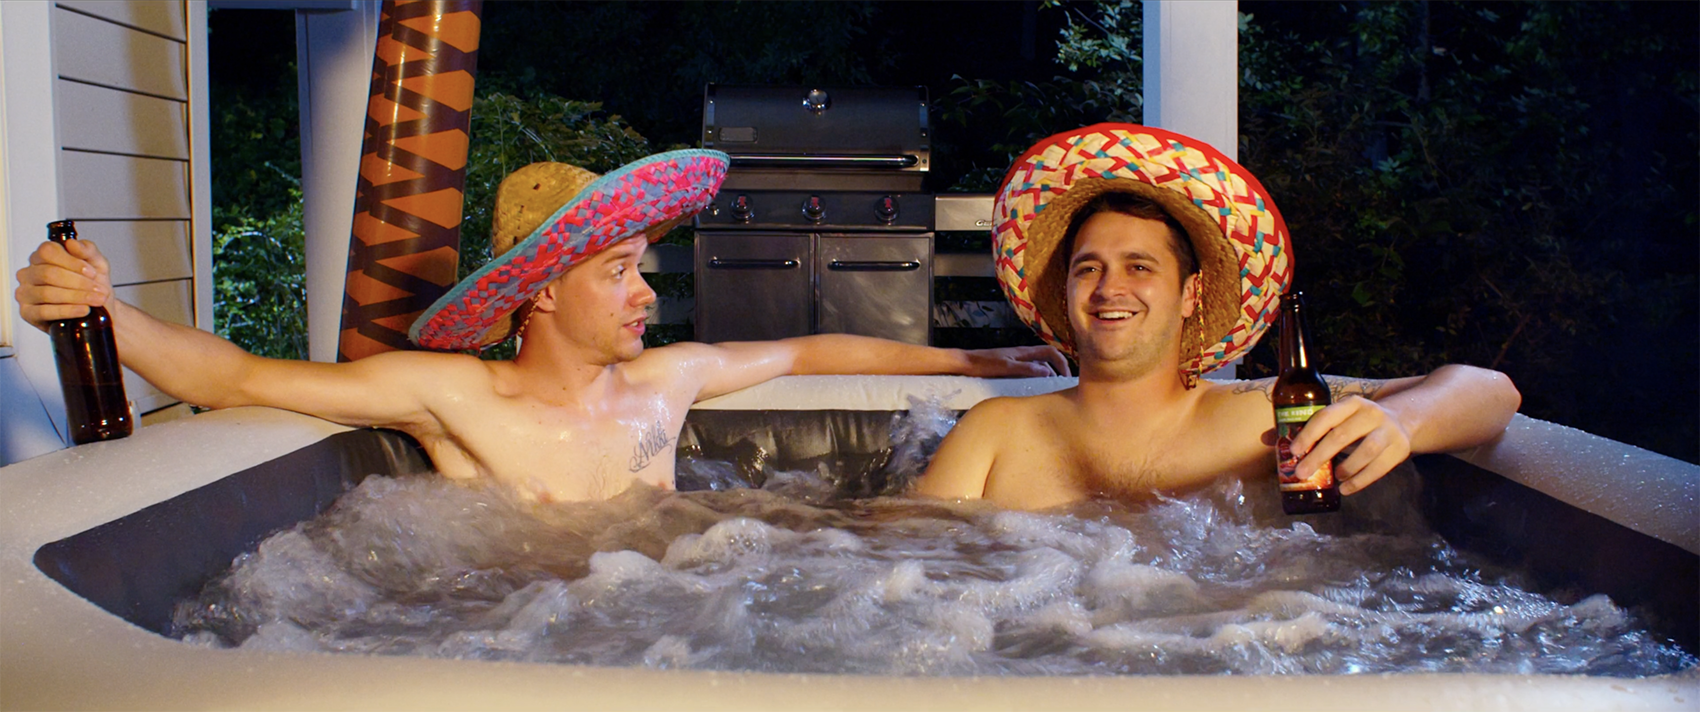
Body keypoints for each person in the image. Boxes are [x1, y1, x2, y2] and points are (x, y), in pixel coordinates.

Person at [16, 149, 1067, 502]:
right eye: (620, 271)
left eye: (641, 270)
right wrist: (110, 311)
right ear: (541, 292)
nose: (647, 294)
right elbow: (240, 375)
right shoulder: (455, 393)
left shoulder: (667, 380)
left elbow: (811, 348)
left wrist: (978, 355)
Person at [914, 124, 1520, 509]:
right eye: (1088, 268)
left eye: (1140, 267)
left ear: (1191, 295)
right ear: (1066, 290)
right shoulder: (996, 432)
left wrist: (1400, 422)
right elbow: (901, 569)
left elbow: (1493, 392)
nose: (1109, 289)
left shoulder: (1264, 424)